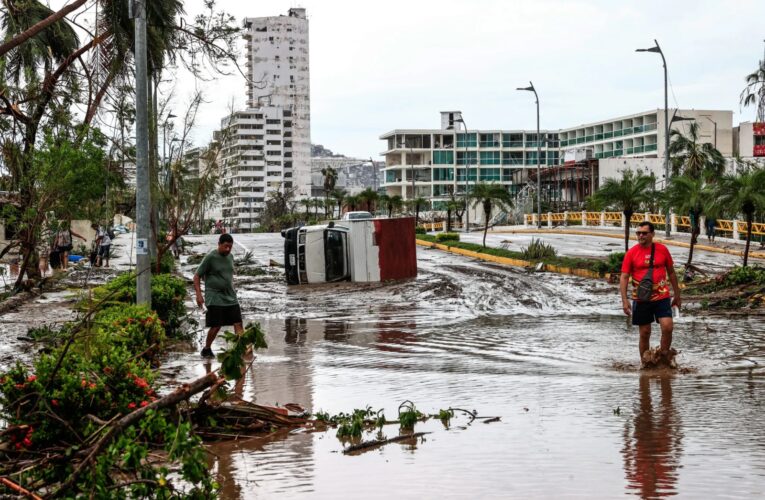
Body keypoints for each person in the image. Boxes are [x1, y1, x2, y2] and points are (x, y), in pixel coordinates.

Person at [620, 221, 681, 366]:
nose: (641, 236)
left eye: (644, 233)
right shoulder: (631, 253)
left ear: (652, 234)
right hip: (641, 299)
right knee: (645, 333)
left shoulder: (662, 250)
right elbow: (624, 277)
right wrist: (624, 300)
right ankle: (645, 364)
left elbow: (671, 273)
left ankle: (664, 359)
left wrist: (677, 294)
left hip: (662, 296)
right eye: (638, 233)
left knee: (667, 327)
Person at [193, 233, 243, 358]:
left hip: (230, 296)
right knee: (216, 326)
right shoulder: (210, 257)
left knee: (238, 323)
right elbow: (197, 275)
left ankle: (241, 348)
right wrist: (199, 295)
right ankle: (207, 348)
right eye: (225, 246)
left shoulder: (230, 257)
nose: (227, 249)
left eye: (230, 247)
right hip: (214, 297)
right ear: (219, 244)